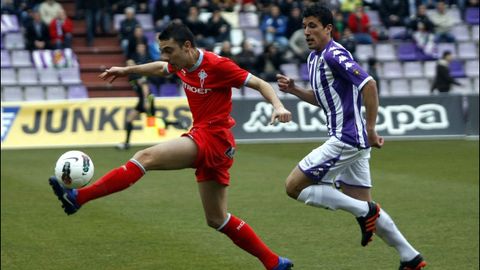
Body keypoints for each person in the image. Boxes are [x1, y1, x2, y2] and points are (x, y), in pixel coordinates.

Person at [48, 21, 294, 270]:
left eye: (168, 50)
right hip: (214, 144)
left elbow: (261, 84)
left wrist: (279, 106)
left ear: (187, 46)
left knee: (145, 157)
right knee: (217, 219)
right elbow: (159, 68)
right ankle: (274, 262)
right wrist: (126, 70)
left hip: (214, 137)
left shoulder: (218, 66)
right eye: (162, 50)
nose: (165, 57)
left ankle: (79, 197)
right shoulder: (181, 64)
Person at [276, 4, 427, 270]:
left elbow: (369, 84)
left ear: (328, 29)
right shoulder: (314, 58)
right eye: (304, 27)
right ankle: (410, 257)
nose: (307, 32)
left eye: (313, 26)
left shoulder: (334, 54)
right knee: (363, 204)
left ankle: (364, 212)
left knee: (293, 187)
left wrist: (371, 129)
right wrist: (295, 90)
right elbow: (324, 99)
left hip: (346, 139)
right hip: (350, 141)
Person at [116, 59, 184, 150]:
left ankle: (175, 122)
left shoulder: (136, 74)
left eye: (131, 64)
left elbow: (144, 86)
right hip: (142, 100)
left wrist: (146, 100)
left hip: (147, 99)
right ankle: (126, 143)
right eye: (127, 64)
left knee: (153, 120)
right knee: (129, 119)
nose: (129, 65)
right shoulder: (131, 75)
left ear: (134, 64)